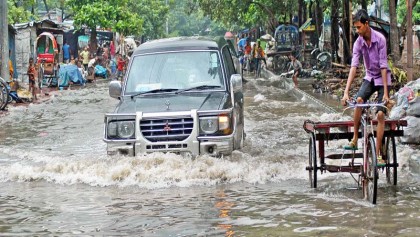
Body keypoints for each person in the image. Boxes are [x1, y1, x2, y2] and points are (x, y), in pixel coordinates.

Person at [340, 9, 391, 166]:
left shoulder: (380, 39)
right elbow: (354, 67)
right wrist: (346, 92)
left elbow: (383, 66)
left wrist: (386, 94)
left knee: (381, 115)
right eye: (355, 28)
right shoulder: (358, 42)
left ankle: (379, 154)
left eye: (359, 27)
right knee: (358, 101)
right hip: (369, 78)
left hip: (383, 78)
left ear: (366, 24)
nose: (357, 30)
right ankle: (355, 138)